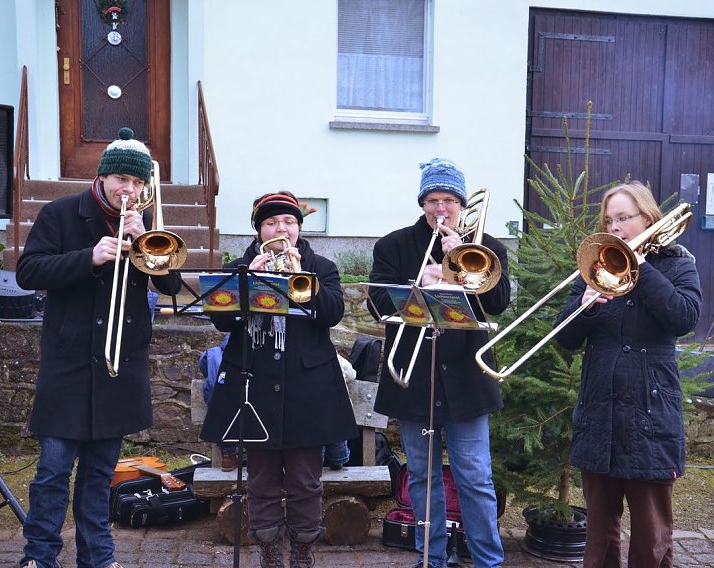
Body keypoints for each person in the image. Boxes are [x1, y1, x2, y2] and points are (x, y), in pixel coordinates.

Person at [16, 127, 182, 568]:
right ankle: (39, 556)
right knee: (52, 472)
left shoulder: (147, 226)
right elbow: (29, 271)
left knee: (99, 475)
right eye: (122, 180)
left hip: (119, 365)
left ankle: (98, 557)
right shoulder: (61, 213)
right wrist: (88, 257)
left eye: (137, 182)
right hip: (68, 362)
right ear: (104, 177)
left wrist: (146, 238)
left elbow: (170, 285)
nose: (129, 189)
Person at [200, 191, 358, 568]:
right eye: (272, 223)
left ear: (299, 228)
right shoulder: (240, 266)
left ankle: (303, 551)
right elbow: (221, 319)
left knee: (306, 480)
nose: (281, 228)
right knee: (262, 480)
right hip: (253, 384)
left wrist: (301, 276)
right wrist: (249, 279)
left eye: (288, 222)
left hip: (307, 386)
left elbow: (331, 314)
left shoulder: (320, 265)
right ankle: (269, 552)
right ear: (259, 231)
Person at [368, 158, 511, 568]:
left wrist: (466, 267)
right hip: (414, 377)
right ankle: (429, 559)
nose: (441, 208)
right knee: (422, 477)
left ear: (463, 204)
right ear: (422, 202)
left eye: (449, 199)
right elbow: (378, 303)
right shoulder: (393, 245)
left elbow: (499, 304)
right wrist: (421, 284)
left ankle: (488, 562)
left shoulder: (487, 247)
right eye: (433, 199)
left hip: (468, 377)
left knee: (476, 478)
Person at [553, 181, 702, 568]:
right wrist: (583, 306)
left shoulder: (678, 263)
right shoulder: (595, 266)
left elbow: (683, 318)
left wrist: (641, 267)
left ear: (648, 218)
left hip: (650, 414)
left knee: (652, 532)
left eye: (623, 218)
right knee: (599, 532)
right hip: (599, 411)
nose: (614, 227)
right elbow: (564, 340)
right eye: (609, 219)